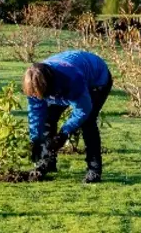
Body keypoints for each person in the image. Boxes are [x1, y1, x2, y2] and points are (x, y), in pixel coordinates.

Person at [23, 50, 113, 184]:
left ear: (48, 86)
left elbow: (83, 110)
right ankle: (47, 163)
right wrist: (36, 139)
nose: (38, 97)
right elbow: (36, 112)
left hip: (98, 80)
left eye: (41, 94)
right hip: (67, 76)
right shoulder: (34, 83)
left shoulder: (72, 80)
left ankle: (94, 171)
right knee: (48, 119)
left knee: (88, 123)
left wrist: (64, 133)